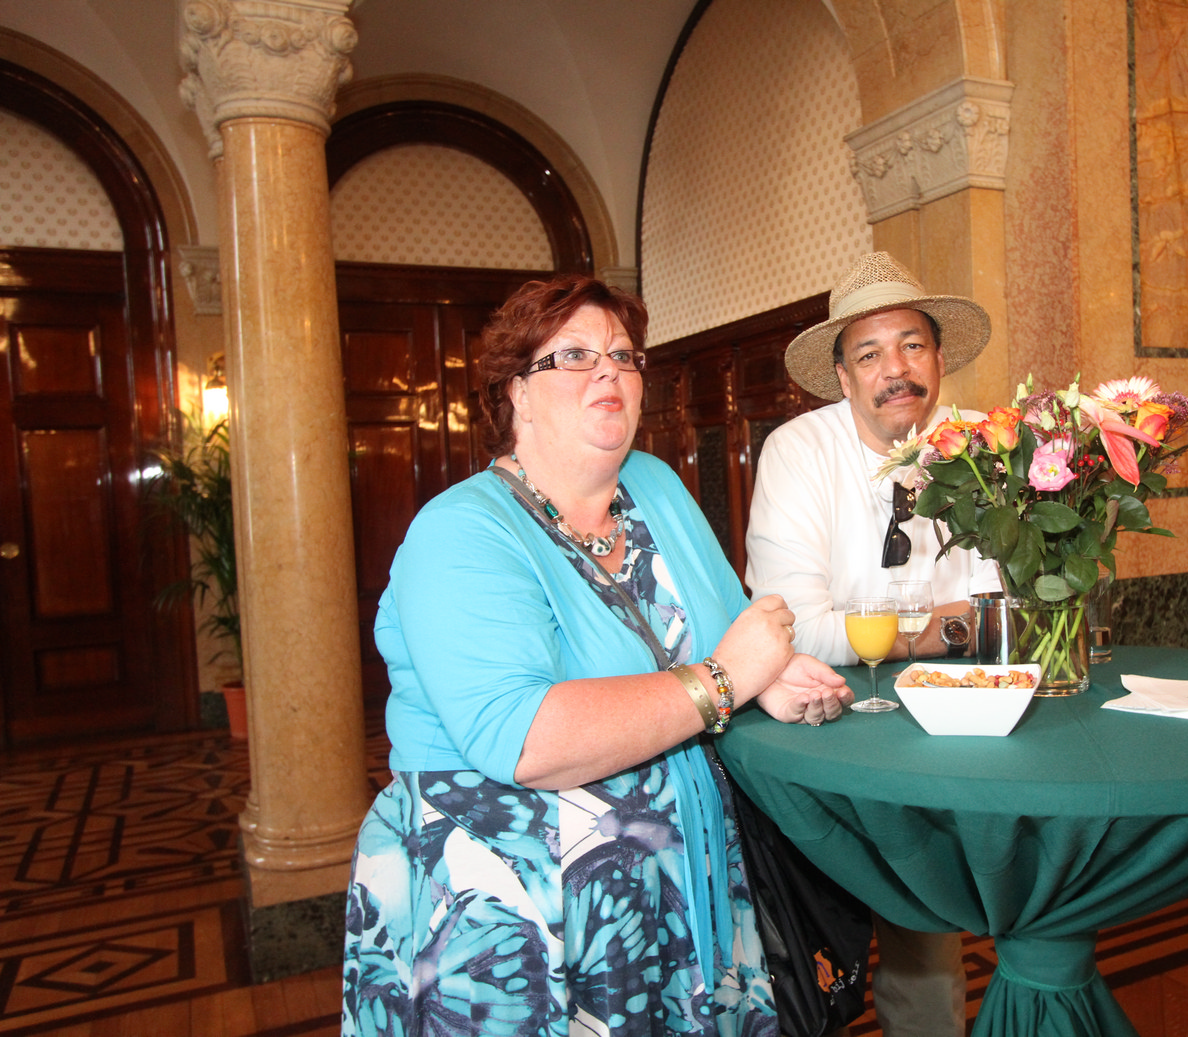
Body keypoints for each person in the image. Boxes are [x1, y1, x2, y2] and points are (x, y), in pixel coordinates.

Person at [343, 274, 852, 1037]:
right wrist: (725, 680)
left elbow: (732, 637)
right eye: (574, 355)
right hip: (515, 919)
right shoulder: (458, 531)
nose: (608, 370)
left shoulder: (655, 486)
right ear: (516, 391)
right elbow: (526, 739)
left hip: (683, 890)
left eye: (622, 355)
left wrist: (766, 682)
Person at [744, 251, 1000, 1037]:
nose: (895, 369)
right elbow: (791, 626)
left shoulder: (980, 448)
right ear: (842, 377)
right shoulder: (798, 451)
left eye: (912, 345)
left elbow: (1006, 612)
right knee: (802, 948)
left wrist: (915, 628)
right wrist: (939, 626)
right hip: (823, 728)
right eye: (869, 353)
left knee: (931, 938)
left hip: (947, 730)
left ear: (939, 358)